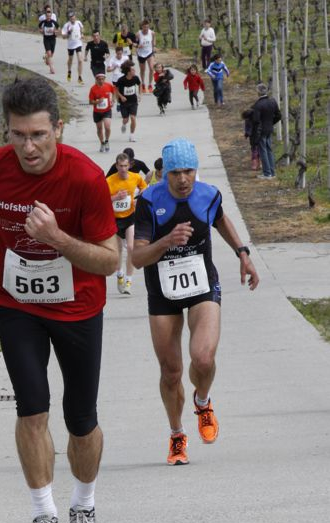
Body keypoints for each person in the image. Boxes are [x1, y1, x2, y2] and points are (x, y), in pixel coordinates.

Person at [0, 77, 118, 523]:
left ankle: (83, 507)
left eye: (39, 135)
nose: (28, 147)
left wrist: (57, 239)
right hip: (16, 301)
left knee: (81, 419)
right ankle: (43, 517)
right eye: (18, 135)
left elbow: (111, 260)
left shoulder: (84, 177)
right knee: (31, 408)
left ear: (58, 130)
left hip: (78, 305)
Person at [132, 138, 259, 466]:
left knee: (203, 359)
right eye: (175, 173)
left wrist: (242, 253)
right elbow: (137, 258)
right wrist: (166, 241)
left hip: (202, 285)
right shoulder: (149, 201)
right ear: (165, 173)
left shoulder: (208, 195)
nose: (183, 179)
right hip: (162, 292)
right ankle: (177, 434)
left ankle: (203, 402)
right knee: (171, 371)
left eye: (189, 171)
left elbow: (221, 220)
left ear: (195, 170)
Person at [106, 152, 147, 295]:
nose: (123, 169)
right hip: (115, 219)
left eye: (125, 166)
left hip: (130, 217)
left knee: (131, 247)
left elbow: (145, 188)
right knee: (118, 250)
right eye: (120, 166)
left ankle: (129, 281)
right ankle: (120, 275)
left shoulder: (135, 177)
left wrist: (138, 199)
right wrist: (115, 197)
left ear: (129, 165)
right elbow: (101, 200)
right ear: (116, 166)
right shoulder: (110, 181)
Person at [252, 83, 281, 180]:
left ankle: (267, 173)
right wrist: (271, 123)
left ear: (258, 92)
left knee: (263, 151)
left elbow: (256, 121)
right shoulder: (273, 101)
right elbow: (278, 115)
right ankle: (272, 172)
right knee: (269, 150)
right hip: (269, 128)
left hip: (261, 131)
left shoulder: (258, 105)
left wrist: (256, 133)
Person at [115, 60, 141, 143]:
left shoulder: (135, 78)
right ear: (128, 72)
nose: (134, 71)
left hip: (133, 101)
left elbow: (140, 84)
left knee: (133, 118)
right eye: (133, 70)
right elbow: (116, 90)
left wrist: (140, 94)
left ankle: (131, 135)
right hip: (124, 102)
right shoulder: (121, 80)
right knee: (125, 119)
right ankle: (124, 124)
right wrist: (121, 96)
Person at [89, 72, 114, 152]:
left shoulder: (109, 85)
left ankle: (107, 141)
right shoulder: (93, 89)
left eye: (102, 79)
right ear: (96, 80)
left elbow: (114, 92)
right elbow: (90, 102)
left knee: (107, 127)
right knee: (99, 129)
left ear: (104, 79)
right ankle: (102, 142)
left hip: (107, 110)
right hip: (97, 112)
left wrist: (113, 100)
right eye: (99, 79)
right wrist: (98, 102)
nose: (101, 81)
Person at [61, 11, 84, 84]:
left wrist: (82, 34)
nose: (72, 18)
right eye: (71, 17)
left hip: (78, 43)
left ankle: (79, 77)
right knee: (70, 59)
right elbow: (63, 37)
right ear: (69, 18)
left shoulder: (79, 23)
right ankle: (69, 71)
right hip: (71, 45)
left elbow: (82, 28)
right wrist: (69, 32)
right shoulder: (67, 25)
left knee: (80, 60)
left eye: (73, 17)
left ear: (75, 17)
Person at [135, 18, 156, 93]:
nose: (146, 28)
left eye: (147, 27)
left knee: (151, 68)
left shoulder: (152, 33)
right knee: (142, 70)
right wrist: (138, 46)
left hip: (149, 53)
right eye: (144, 27)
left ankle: (150, 85)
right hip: (141, 54)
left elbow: (153, 41)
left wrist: (154, 47)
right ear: (142, 27)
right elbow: (134, 44)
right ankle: (143, 84)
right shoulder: (138, 34)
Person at [107, 46, 129, 111]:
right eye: (118, 54)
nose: (119, 55)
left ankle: (125, 103)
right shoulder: (112, 59)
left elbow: (130, 66)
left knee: (124, 90)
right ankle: (118, 103)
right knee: (117, 91)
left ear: (122, 53)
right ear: (116, 53)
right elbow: (108, 70)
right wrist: (114, 67)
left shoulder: (126, 58)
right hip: (115, 78)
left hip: (124, 77)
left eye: (120, 54)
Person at [38, 6, 59, 73]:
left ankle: (46, 57)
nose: (48, 17)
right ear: (45, 15)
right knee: (49, 53)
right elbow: (39, 29)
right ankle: (51, 68)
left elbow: (58, 29)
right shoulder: (43, 22)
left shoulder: (54, 22)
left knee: (51, 54)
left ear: (51, 15)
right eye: (47, 16)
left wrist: (55, 31)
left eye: (49, 16)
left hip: (53, 39)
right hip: (46, 39)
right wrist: (42, 31)